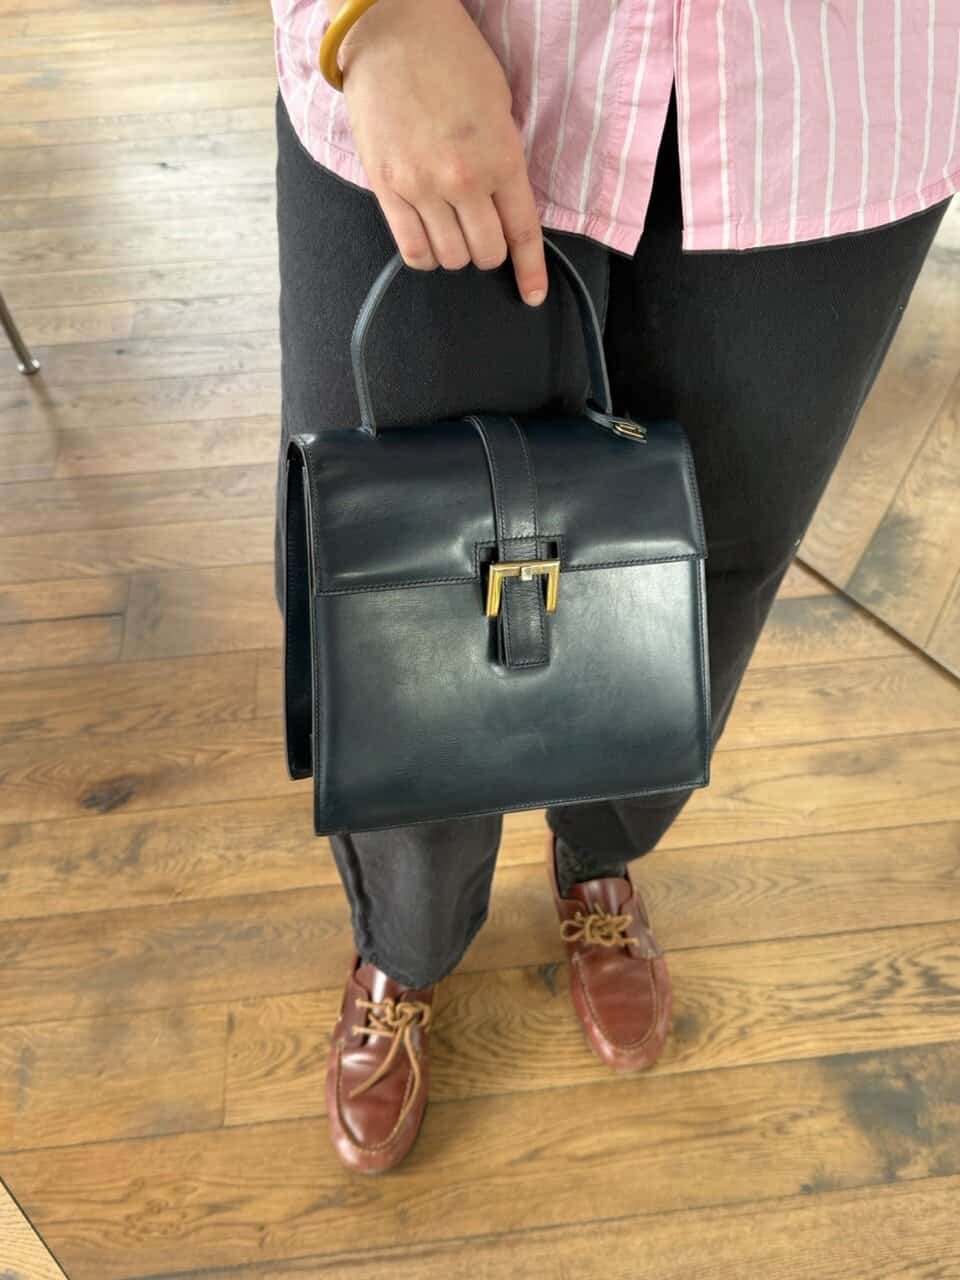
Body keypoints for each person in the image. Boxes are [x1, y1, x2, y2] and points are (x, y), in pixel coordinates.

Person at [270, 0, 958, 1173]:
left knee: (707, 562)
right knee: (390, 590)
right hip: (455, 44)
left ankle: (600, 853)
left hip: (838, 90)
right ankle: (408, 938)